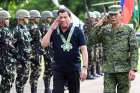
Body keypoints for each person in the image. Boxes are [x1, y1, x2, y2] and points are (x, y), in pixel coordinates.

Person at [89, 5, 138, 93]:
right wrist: (98, 25)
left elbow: (134, 50)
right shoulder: (104, 30)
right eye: (111, 15)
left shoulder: (128, 30)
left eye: (115, 15)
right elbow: (91, 41)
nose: (113, 17)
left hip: (124, 70)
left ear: (120, 15)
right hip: (109, 70)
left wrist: (133, 68)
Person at [41, 8, 88, 93]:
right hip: (58, 69)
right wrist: (51, 28)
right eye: (60, 17)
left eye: (65, 17)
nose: (62, 19)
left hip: (73, 68)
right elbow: (43, 44)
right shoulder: (54, 31)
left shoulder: (77, 31)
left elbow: (84, 50)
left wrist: (84, 68)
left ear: (70, 18)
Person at [13, 9, 32, 93]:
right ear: (21, 18)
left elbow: (28, 44)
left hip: (27, 59)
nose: (28, 19)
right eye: (26, 17)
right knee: (20, 80)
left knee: (25, 78)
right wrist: (18, 57)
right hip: (20, 60)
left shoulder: (25, 29)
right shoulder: (17, 30)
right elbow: (12, 46)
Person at [0, 10, 17, 93]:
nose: (8, 20)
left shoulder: (5, 30)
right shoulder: (4, 31)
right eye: (7, 19)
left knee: (5, 84)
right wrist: (19, 55)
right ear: (2, 20)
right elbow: (10, 46)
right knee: (7, 83)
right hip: (6, 62)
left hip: (5, 61)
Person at [29, 9, 43, 93]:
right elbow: (29, 42)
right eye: (37, 17)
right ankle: (33, 91)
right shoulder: (31, 28)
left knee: (37, 73)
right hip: (34, 53)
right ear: (33, 18)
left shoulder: (35, 27)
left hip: (37, 52)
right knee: (35, 73)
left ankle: (34, 90)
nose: (39, 19)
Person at [40, 10, 54, 93]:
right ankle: (46, 88)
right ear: (45, 18)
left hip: (50, 51)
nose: (50, 18)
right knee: (47, 70)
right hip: (46, 51)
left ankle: (48, 87)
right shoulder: (43, 27)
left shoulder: (48, 26)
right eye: (49, 17)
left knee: (50, 70)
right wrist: (44, 52)